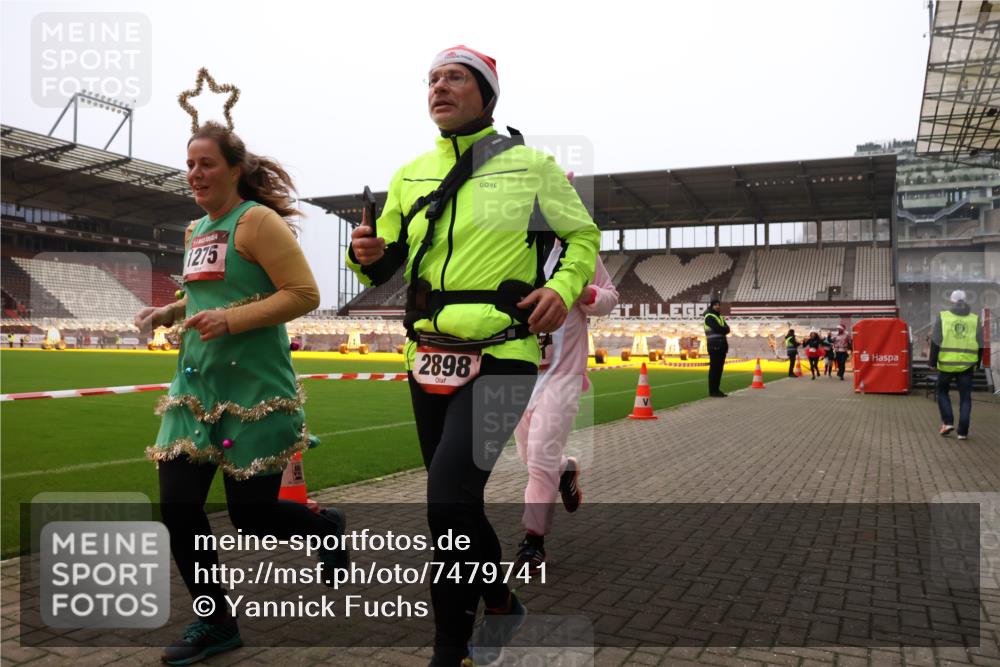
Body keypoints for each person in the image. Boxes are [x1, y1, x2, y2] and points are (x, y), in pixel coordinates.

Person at [347, 45, 600, 667]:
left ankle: (450, 649)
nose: (439, 87)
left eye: (455, 78)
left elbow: (582, 236)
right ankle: (501, 600)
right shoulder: (409, 174)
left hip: (504, 354)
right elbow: (388, 260)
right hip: (426, 355)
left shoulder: (533, 166)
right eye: (432, 78)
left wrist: (561, 287)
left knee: (447, 501)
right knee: (456, 500)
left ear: (487, 93)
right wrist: (365, 254)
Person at [136, 120, 347, 666]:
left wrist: (229, 322)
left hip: (255, 391)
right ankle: (216, 622)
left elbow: (303, 293)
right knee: (178, 508)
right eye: (189, 164)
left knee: (252, 516)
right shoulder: (194, 231)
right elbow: (209, 289)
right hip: (195, 389)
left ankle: (323, 527)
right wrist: (170, 310)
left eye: (206, 163)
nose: (195, 174)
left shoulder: (257, 222)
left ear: (234, 169)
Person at [513, 243, 618, 572]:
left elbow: (610, 296)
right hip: (519, 372)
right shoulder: (514, 245)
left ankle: (534, 540)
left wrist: (585, 294)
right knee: (529, 457)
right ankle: (565, 469)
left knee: (540, 456)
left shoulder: (579, 249)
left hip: (564, 374)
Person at [929, 289, 984, 440]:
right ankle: (963, 432)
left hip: (946, 365)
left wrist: (932, 362)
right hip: (967, 366)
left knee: (942, 392)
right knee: (965, 397)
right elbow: (980, 345)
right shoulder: (975, 319)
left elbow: (935, 341)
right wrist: (977, 364)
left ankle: (947, 423)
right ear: (965, 300)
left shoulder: (943, 316)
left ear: (952, 301)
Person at [703, 299, 730, 397]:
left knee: (719, 369)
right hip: (714, 346)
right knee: (715, 369)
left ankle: (717, 390)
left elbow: (727, 329)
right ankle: (713, 391)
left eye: (719, 304)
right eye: (715, 305)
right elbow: (719, 329)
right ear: (711, 306)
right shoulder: (709, 316)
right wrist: (723, 329)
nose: (718, 306)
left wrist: (723, 329)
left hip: (721, 345)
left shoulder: (719, 317)